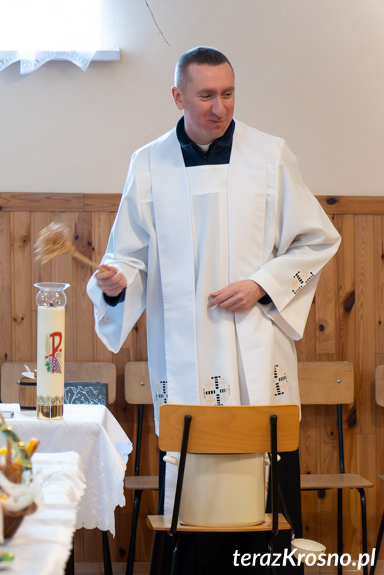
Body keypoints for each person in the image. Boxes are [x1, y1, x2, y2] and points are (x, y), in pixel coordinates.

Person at [87, 47, 340, 573]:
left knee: (267, 505)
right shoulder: (149, 162)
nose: (219, 107)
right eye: (205, 95)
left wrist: (262, 284)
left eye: (227, 94)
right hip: (184, 357)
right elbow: (126, 258)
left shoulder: (269, 156)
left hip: (255, 344)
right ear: (178, 96)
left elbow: (317, 239)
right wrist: (114, 284)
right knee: (189, 503)